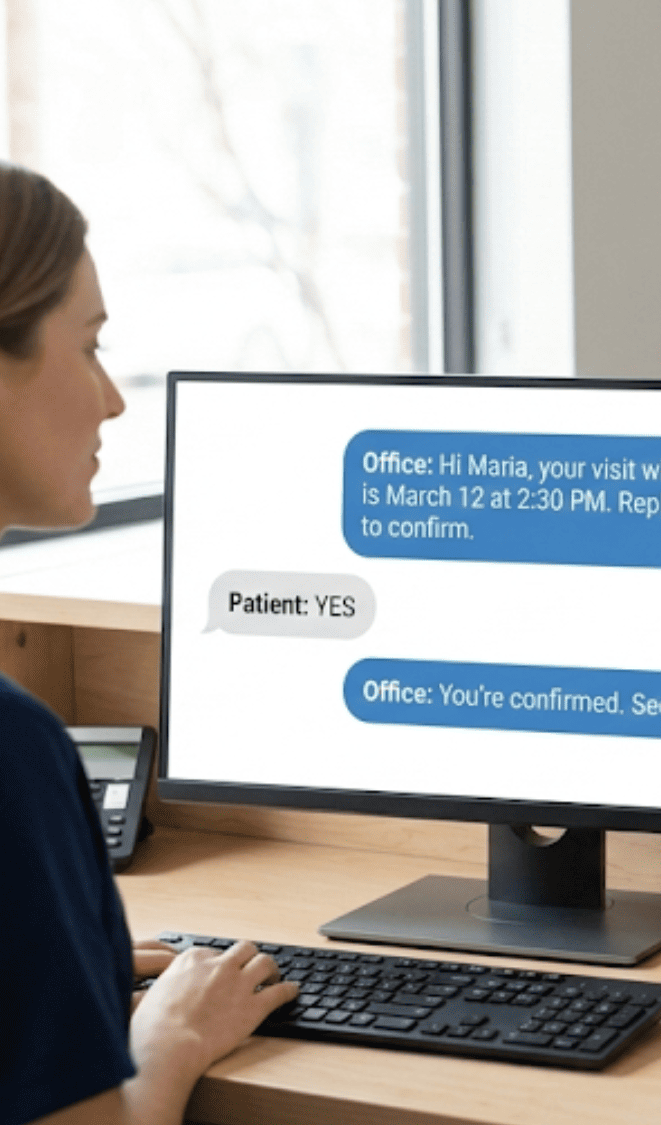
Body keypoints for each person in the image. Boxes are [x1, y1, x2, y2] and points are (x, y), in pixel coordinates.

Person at [0, 162, 298, 1125]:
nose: (113, 400)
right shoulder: (12, 748)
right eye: (88, 347)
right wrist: (166, 1039)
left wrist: (64, 953)